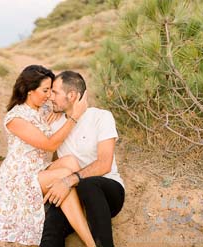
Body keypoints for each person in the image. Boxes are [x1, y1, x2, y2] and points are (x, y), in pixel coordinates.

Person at [0, 65, 96, 247]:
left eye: (51, 90)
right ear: (29, 90)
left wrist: (76, 101)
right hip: (20, 176)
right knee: (63, 175)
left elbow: (62, 104)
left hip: (38, 168)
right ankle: (91, 242)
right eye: (45, 90)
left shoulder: (42, 109)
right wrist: (75, 116)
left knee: (71, 162)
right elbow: (50, 144)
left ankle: (82, 215)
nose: (50, 95)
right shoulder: (16, 118)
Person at [40, 71, 125, 247]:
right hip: (71, 194)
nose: (50, 97)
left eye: (55, 92)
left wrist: (69, 180)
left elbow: (104, 164)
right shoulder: (55, 121)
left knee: (88, 184)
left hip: (106, 192)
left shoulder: (100, 117)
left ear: (71, 96)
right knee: (51, 228)